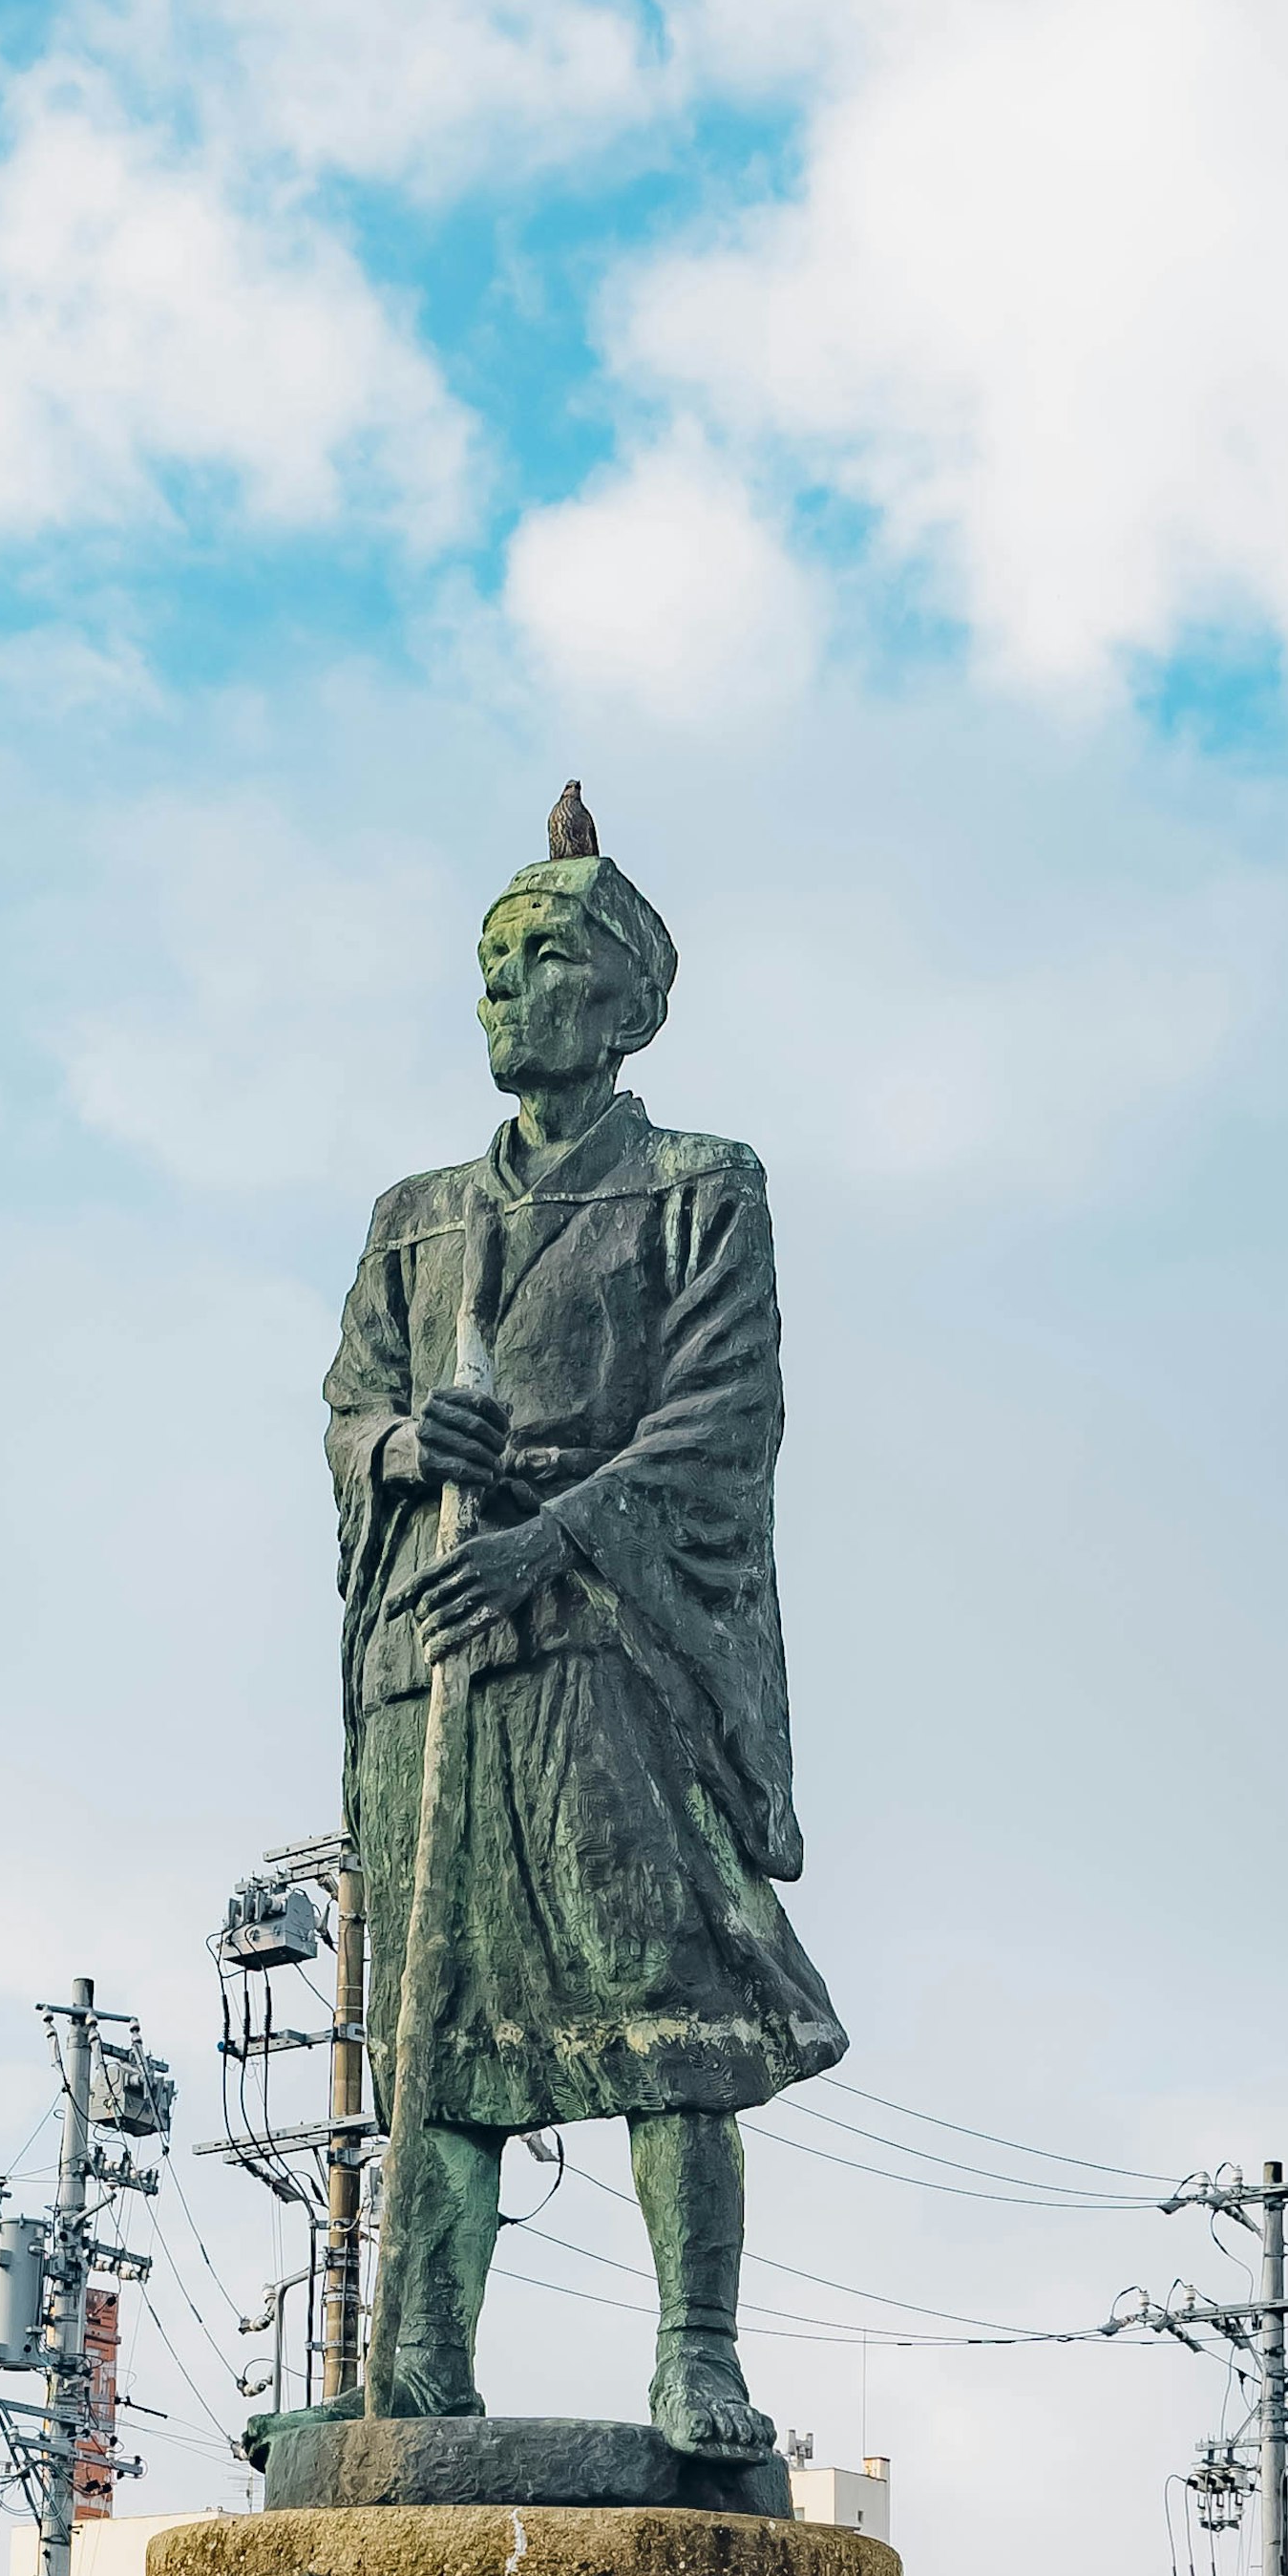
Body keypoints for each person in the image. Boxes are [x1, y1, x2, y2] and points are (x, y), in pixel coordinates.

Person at [324, 790, 845, 2446]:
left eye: (544, 958)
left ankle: (701, 2348)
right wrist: (410, 1448)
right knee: (438, 2013)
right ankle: (418, 2363)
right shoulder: (417, 1217)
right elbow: (349, 1405)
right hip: (437, 1651)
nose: (507, 991)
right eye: (491, 963)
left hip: (603, 1640)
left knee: (663, 2005)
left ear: (628, 1002)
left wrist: (551, 1532)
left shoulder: (702, 1187)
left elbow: (716, 1421)